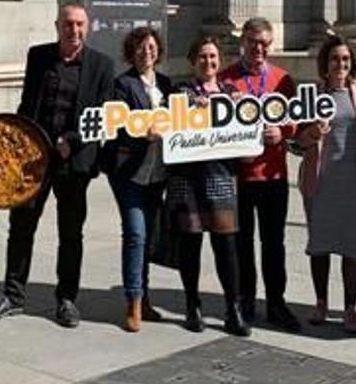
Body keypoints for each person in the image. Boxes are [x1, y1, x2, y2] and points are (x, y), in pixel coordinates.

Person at [0, 4, 115, 327]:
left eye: (80, 24)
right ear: (57, 26)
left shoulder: (101, 65)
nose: (74, 30)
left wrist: (73, 140)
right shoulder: (38, 57)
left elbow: (104, 118)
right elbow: (27, 105)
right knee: (21, 228)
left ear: (88, 27)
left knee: (71, 233)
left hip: (74, 162)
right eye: (68, 24)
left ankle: (67, 299)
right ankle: (13, 296)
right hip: (33, 161)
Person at [296, 36, 356, 334]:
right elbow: (296, 142)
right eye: (335, 59)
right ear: (325, 64)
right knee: (319, 245)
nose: (341, 64)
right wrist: (312, 133)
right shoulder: (311, 95)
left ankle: (350, 308)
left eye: (346, 59)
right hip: (322, 181)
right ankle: (321, 302)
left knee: (353, 247)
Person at [220, 17, 300, 331]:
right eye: (254, 42)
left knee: (273, 243)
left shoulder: (283, 80)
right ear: (243, 42)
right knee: (242, 243)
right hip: (238, 176)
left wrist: (282, 133)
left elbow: (294, 122)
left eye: (265, 43)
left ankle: (276, 303)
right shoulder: (227, 80)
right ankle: (245, 301)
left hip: (273, 176)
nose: (259, 49)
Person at [167, 37, 249, 337]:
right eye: (202, 56)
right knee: (190, 244)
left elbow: (246, 143)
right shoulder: (180, 92)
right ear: (193, 61)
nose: (208, 62)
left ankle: (233, 308)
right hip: (187, 179)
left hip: (220, 177)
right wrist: (192, 107)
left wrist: (243, 115)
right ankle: (192, 305)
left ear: (220, 61)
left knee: (226, 245)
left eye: (213, 57)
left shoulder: (232, 93)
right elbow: (169, 124)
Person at [102, 26, 174, 332]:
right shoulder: (123, 85)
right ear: (132, 52)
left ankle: (144, 299)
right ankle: (132, 302)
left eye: (152, 47)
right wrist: (139, 132)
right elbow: (114, 126)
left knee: (148, 238)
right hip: (129, 173)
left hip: (157, 173)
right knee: (135, 234)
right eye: (142, 47)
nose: (148, 52)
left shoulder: (167, 85)